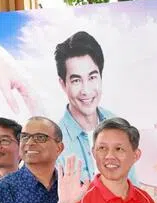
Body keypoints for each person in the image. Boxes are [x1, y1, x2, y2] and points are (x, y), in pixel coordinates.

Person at [54, 31, 138, 184]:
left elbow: (133, 185)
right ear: (63, 84)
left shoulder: (117, 123)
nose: (86, 90)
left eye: (92, 77)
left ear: (101, 76)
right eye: (76, 80)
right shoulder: (55, 143)